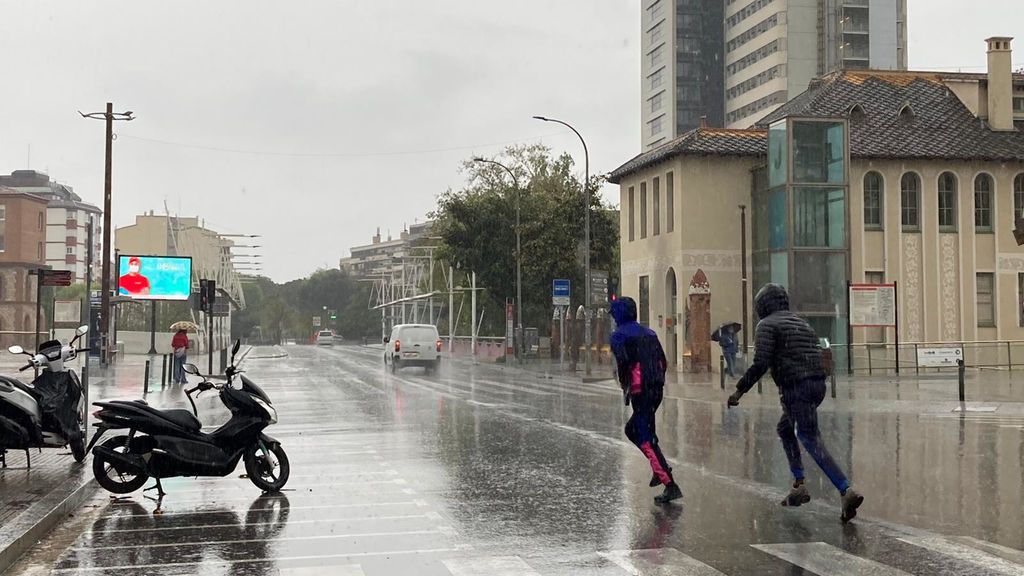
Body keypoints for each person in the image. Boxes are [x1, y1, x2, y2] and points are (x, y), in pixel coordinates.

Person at [727, 283, 864, 523]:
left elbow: (761, 363)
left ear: (763, 305)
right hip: (817, 385)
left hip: (795, 387)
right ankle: (799, 483)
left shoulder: (766, 325)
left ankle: (845, 489)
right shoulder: (801, 322)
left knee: (810, 438)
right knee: (785, 428)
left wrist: (739, 390)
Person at [610, 297, 682, 504]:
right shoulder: (650, 333)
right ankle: (659, 467)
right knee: (638, 430)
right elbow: (663, 361)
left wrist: (626, 385)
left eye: (614, 314)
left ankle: (669, 482)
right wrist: (657, 380)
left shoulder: (618, 336)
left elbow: (623, 363)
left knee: (641, 433)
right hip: (656, 388)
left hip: (639, 389)